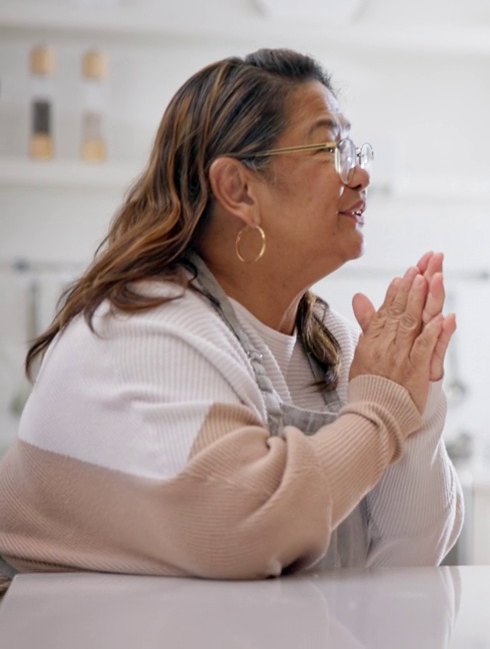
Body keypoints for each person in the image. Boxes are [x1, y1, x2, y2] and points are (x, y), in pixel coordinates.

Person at [0, 49, 463, 592]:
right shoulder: (143, 328)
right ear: (239, 189)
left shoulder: (326, 339)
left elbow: (406, 557)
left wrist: (415, 395)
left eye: (353, 147)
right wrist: (383, 407)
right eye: (329, 147)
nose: (359, 173)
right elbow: (250, 526)